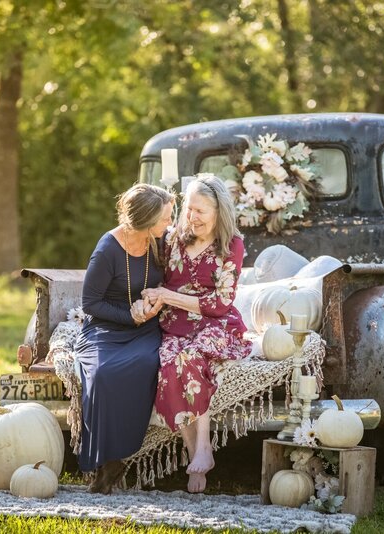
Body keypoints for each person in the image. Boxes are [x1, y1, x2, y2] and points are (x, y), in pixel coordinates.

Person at [142, 175, 252, 493]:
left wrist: (167, 296)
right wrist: (151, 299)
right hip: (173, 324)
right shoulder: (173, 240)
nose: (192, 217)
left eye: (200, 211)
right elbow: (150, 275)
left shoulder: (232, 245)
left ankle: (203, 445)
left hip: (216, 324)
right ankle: (197, 456)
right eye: (189, 209)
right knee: (167, 363)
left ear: (219, 211)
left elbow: (220, 303)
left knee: (192, 355)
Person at [74, 183, 175, 493]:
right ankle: (106, 461)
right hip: (106, 328)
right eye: (165, 218)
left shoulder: (160, 242)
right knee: (102, 373)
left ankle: (122, 454)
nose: (169, 224)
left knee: (144, 363)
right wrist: (128, 316)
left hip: (146, 329)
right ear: (145, 220)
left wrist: (157, 304)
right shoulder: (108, 249)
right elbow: (90, 303)